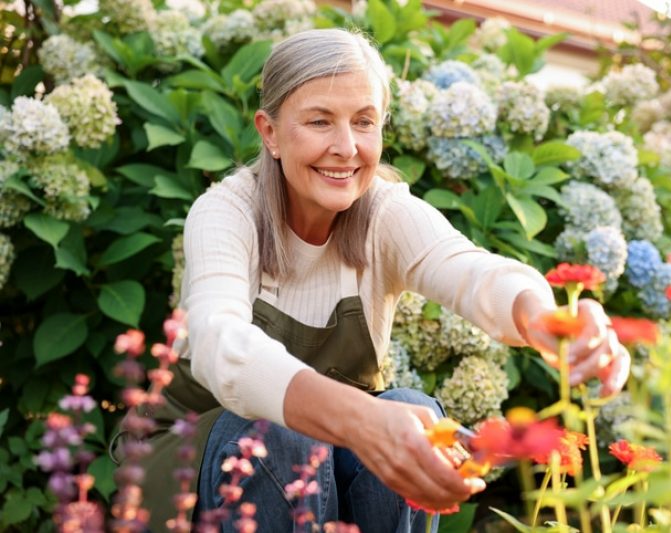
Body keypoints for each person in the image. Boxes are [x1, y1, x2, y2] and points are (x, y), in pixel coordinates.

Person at [132, 28, 630, 532]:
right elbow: (221, 345)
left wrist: (545, 321)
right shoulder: (224, 213)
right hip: (192, 459)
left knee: (414, 412)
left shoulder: (383, 214)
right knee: (283, 435)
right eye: (320, 121)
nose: (346, 148)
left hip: (324, 456)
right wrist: (363, 420)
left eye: (364, 122)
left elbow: (472, 270)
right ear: (271, 132)